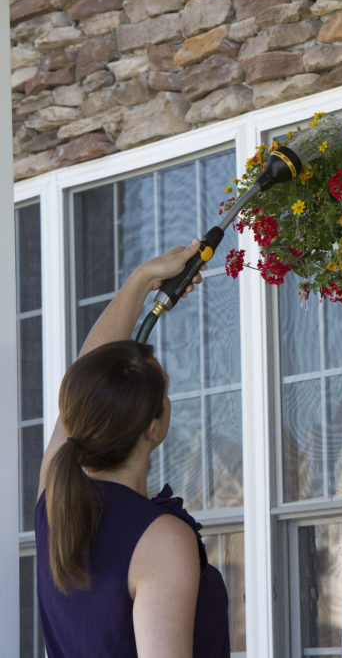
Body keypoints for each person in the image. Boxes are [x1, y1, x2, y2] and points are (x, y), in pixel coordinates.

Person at [34, 240, 230, 658]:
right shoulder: (160, 540)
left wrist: (142, 279)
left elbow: (87, 380)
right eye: (167, 393)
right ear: (154, 428)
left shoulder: (55, 504)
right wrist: (140, 281)